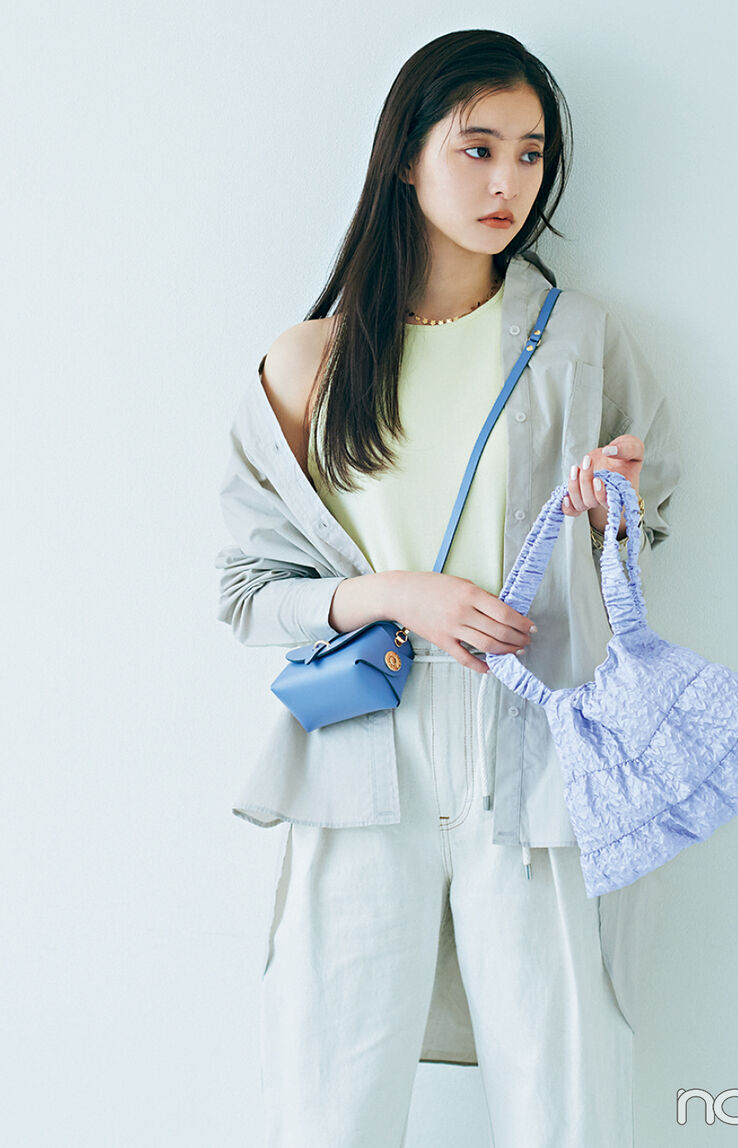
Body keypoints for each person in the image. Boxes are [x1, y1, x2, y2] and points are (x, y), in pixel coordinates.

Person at [215, 29, 682, 1148]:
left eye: (530, 153)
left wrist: (611, 510)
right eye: (478, 148)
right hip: (362, 740)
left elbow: (647, 526)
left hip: (538, 740)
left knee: (564, 1090)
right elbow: (247, 591)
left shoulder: (580, 340)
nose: (507, 181)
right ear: (406, 157)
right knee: (328, 1093)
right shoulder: (309, 361)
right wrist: (396, 594)